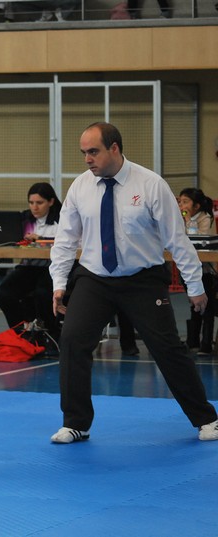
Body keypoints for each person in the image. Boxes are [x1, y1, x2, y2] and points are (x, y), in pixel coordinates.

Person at [48, 121, 218, 444]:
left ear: (114, 148)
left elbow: (177, 240)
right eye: (83, 152)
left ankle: (207, 419)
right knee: (72, 341)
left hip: (143, 279)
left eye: (93, 151)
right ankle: (76, 423)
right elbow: (65, 239)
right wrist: (59, 283)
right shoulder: (80, 187)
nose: (87, 159)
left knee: (167, 348)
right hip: (94, 278)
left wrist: (195, 287)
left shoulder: (151, 184)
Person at [0, 182, 60, 339]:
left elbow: (69, 242)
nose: (34, 207)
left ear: (51, 202)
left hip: (53, 268)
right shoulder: (23, 219)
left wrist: (41, 239)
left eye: (39, 203)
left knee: (42, 294)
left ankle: (52, 335)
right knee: (3, 293)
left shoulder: (62, 219)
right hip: (29, 267)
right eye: (31, 203)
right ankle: (21, 333)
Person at [178, 187, 216, 355]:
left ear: (196, 206)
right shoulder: (181, 218)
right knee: (194, 305)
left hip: (205, 270)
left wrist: (188, 221)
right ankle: (192, 341)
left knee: (207, 307)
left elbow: (200, 238)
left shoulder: (205, 217)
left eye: (185, 202)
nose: (182, 206)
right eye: (180, 202)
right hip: (187, 268)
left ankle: (206, 343)